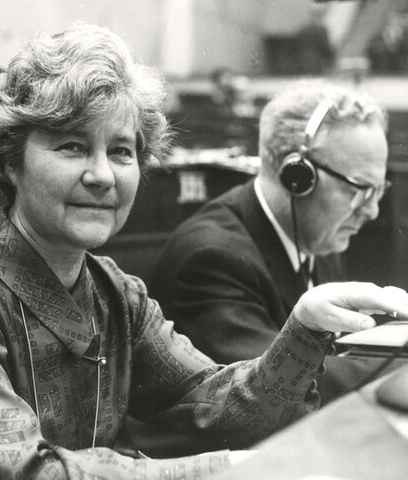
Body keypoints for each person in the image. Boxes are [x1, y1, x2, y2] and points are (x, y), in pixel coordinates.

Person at [0, 23, 408, 480]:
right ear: (11, 161)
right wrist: (225, 470)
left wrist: (305, 326)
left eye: (122, 151)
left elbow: (215, 403)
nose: (103, 175)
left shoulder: (115, 293)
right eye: (72, 147)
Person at [148, 80, 404, 406]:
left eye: (379, 191)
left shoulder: (317, 238)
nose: (372, 211)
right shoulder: (211, 258)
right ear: (297, 177)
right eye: (359, 189)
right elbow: (282, 386)